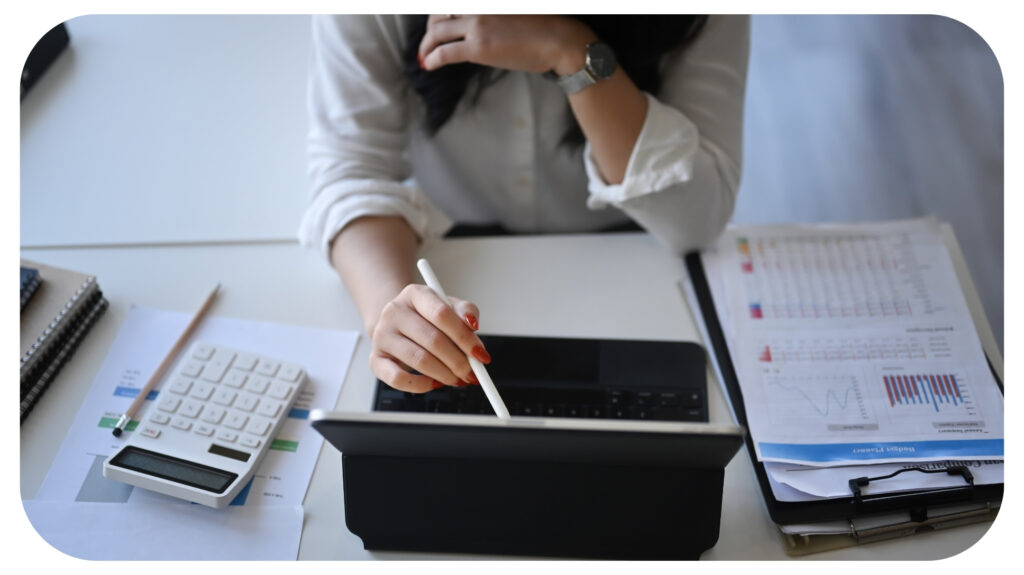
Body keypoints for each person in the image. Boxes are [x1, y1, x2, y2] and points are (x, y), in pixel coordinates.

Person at [299, 15, 750, 394]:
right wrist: (392, 311)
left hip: (633, 249)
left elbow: (696, 218)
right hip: (448, 249)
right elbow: (352, 169)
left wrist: (571, 52)